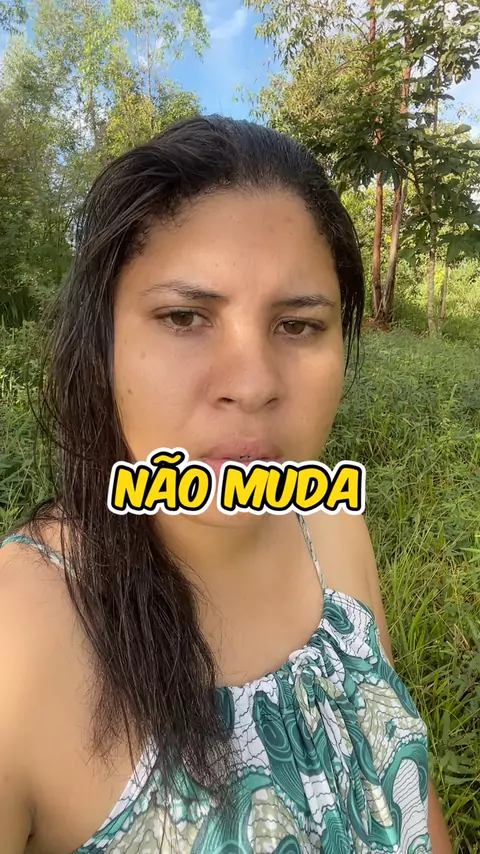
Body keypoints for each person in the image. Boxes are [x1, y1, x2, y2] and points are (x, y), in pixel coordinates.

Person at [0, 115, 451, 853]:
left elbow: (408, 790)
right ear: (102, 345)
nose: (252, 383)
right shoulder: (18, 639)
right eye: (185, 317)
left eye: (298, 325)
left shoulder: (332, 529)